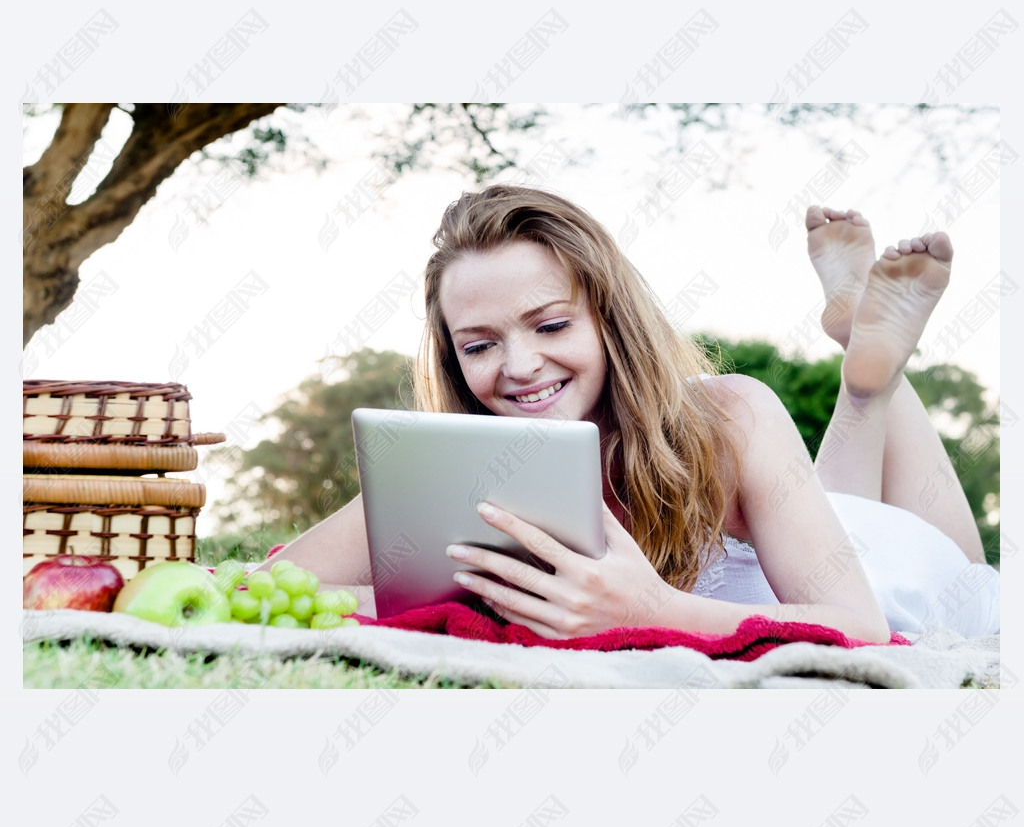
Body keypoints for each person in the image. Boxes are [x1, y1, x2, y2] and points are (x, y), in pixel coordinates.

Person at [274, 189, 998, 641]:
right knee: (833, 505)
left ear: (610, 322)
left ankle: (871, 372)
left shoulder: (731, 413)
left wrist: (657, 609)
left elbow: (861, 626)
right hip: (807, 532)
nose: (519, 366)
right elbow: (270, 584)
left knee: (967, 578)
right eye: (480, 344)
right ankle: (866, 372)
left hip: (893, 569)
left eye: (551, 326)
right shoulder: (462, 465)